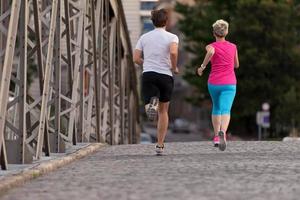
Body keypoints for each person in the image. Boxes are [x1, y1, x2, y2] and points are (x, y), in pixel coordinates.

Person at [133, 8, 179, 155]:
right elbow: (173, 52)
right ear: (166, 21)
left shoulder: (144, 37)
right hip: (165, 75)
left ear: (153, 21)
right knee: (164, 111)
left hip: (149, 73)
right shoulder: (172, 37)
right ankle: (160, 145)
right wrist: (174, 66)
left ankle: (149, 106)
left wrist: (146, 63)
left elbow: (135, 58)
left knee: (149, 100)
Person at [196, 19, 239, 151]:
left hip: (214, 83)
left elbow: (211, 52)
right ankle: (223, 134)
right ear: (226, 32)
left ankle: (215, 136)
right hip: (229, 83)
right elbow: (236, 65)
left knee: (216, 107)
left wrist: (202, 67)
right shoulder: (233, 47)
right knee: (226, 110)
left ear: (214, 33)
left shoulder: (210, 46)